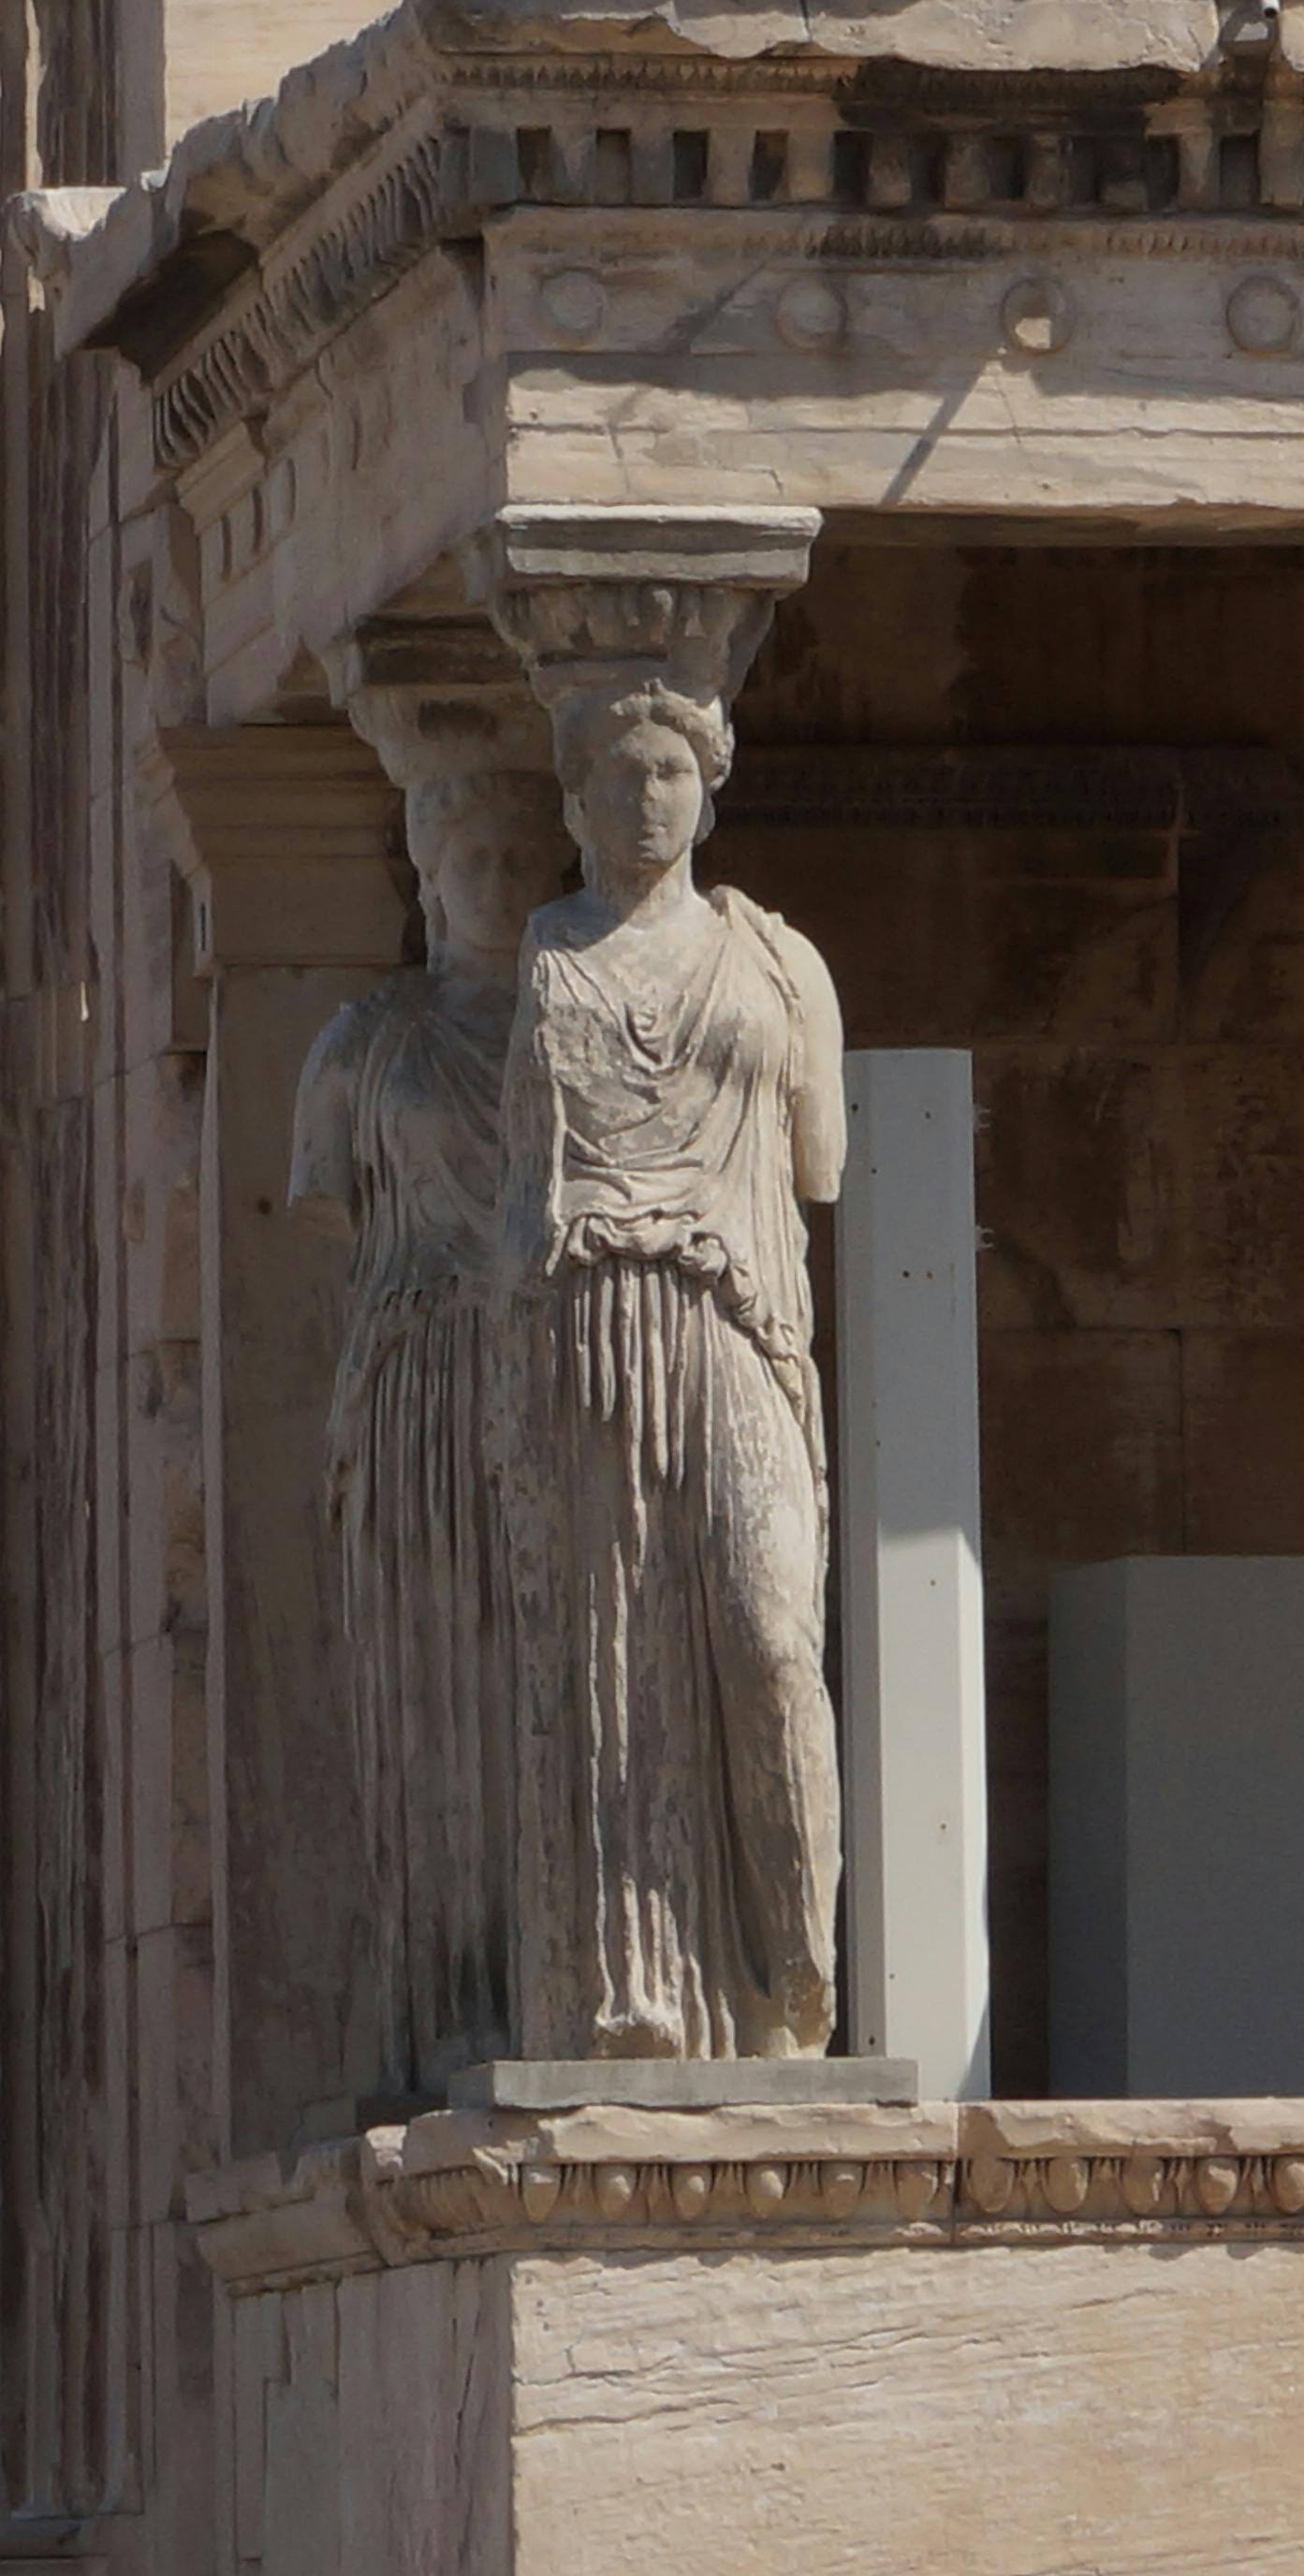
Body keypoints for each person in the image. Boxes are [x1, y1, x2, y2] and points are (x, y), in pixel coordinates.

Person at [498, 681, 847, 2059]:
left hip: (741, 1320)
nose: (650, 795)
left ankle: (799, 1961)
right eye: (622, 772)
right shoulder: (546, 955)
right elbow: (524, 1195)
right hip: (594, 1329)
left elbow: (819, 1165)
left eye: (672, 769)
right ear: (576, 798)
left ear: (710, 786)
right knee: (623, 1665)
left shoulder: (780, 961)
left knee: (769, 1636)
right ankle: (650, 1999)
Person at [293, 765, 567, 2094]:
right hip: (414, 1382)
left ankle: (555, 1983)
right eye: (475, 859)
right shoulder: (364, 1042)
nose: (500, 886)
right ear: (427, 869)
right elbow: (333, 1213)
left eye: (524, 860)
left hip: (553, 1370)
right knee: (430, 1697)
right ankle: (438, 2008)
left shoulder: (584, 1024)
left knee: (552, 1679)